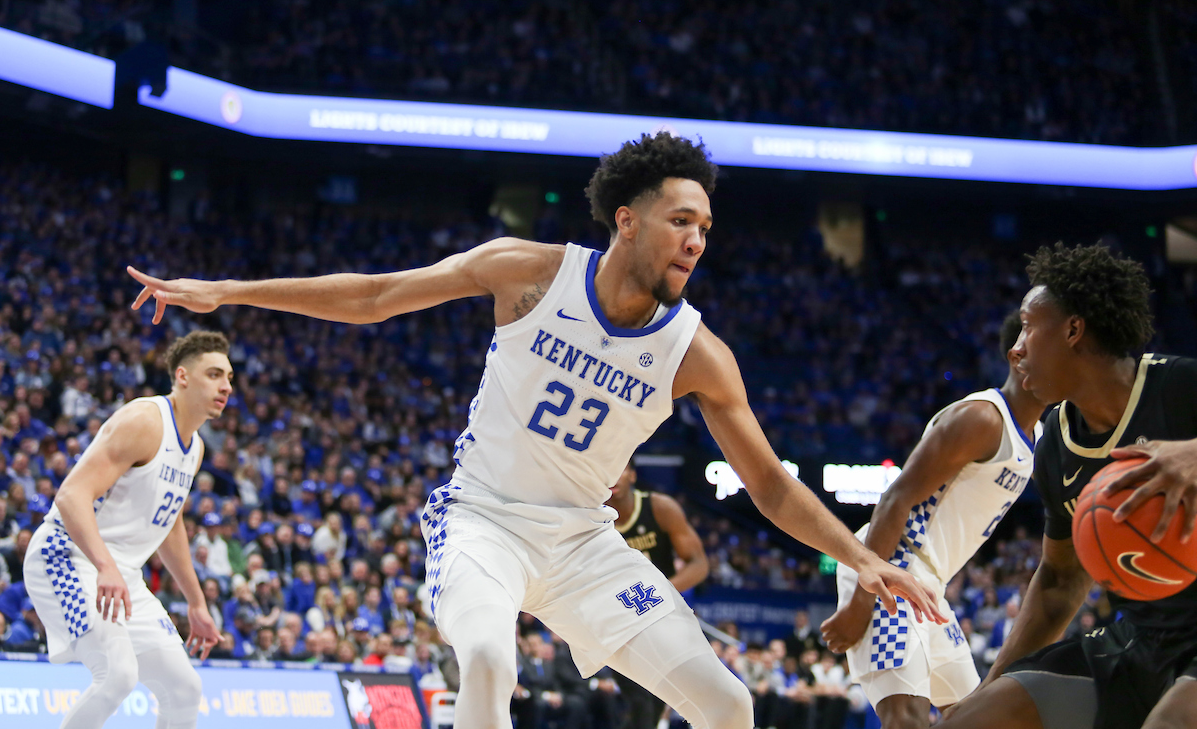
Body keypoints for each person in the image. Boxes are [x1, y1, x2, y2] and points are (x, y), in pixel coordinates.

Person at [128, 132, 944, 729]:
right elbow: (377, 296)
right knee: (486, 660)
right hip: (483, 519)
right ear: (626, 220)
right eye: (681, 221)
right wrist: (229, 292)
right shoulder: (530, 273)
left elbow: (767, 482)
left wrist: (863, 556)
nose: (697, 239)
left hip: (584, 543)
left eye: (706, 228)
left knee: (728, 705)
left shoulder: (699, 353)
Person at [940, 243, 1197, 729]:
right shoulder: (1054, 444)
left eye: (1028, 327)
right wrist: (990, 686)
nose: (1015, 347)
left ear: (1073, 330)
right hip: (1140, 642)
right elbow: (1059, 583)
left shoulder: (1180, 387)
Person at [821, 310, 1046, 729]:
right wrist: (860, 605)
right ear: (1020, 355)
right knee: (905, 720)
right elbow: (894, 500)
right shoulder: (982, 418)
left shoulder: (1034, 437)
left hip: (930, 588)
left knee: (974, 718)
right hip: (892, 570)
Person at [22, 331, 229, 729]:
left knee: (185, 689)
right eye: (214, 374)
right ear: (183, 377)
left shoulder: (196, 447)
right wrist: (105, 566)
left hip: (120, 575)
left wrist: (197, 602)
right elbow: (70, 496)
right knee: (118, 675)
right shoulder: (144, 420)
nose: (225, 386)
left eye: (229, 377)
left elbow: (169, 528)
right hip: (66, 556)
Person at [605, 459, 709, 728]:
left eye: (621, 468)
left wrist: (664, 589)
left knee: (655, 702)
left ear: (633, 474)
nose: (614, 476)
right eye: (607, 468)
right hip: (617, 619)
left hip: (659, 614)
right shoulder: (591, 514)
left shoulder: (660, 507)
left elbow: (699, 563)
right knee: (639, 700)